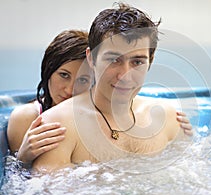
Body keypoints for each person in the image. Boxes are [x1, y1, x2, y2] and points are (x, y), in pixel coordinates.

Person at [32, 3, 193, 172]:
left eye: (137, 62)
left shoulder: (168, 119)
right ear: (92, 59)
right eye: (114, 60)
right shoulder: (58, 127)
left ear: (150, 62)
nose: (125, 75)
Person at [7, 30, 94, 166]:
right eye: (64, 75)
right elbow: (16, 182)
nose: (70, 90)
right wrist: (22, 158)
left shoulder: (101, 120)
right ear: (48, 72)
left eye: (82, 80)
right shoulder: (26, 118)